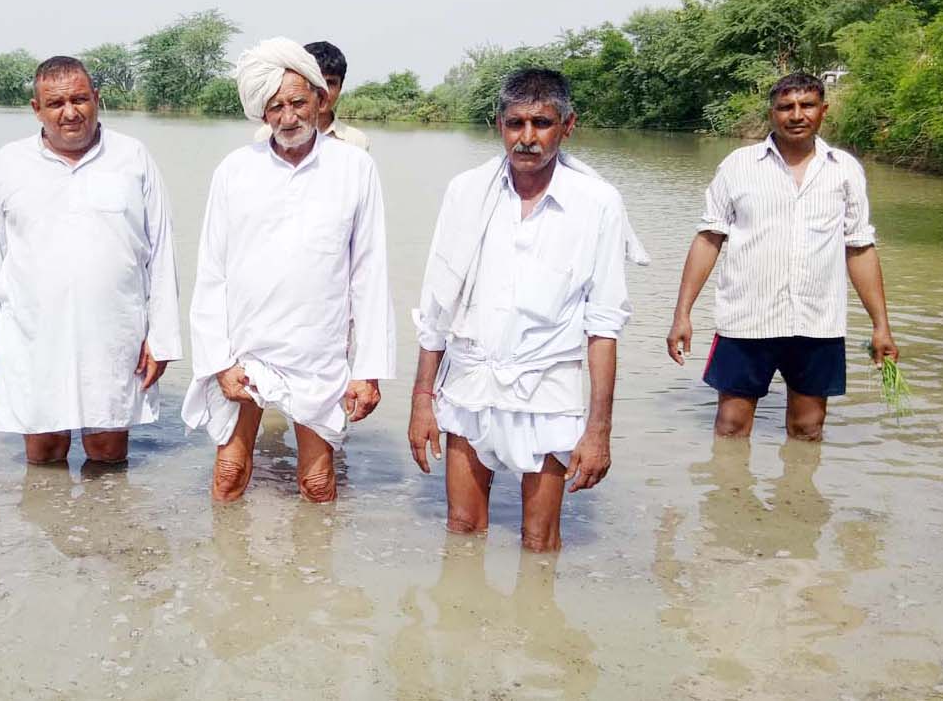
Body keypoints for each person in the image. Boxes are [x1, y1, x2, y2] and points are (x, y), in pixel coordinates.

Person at [407, 68, 644, 549]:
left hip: (548, 389)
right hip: (471, 381)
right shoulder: (467, 192)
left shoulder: (597, 203)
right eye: (516, 123)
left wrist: (598, 430)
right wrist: (421, 401)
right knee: (463, 531)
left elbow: (603, 326)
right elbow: (437, 304)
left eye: (542, 123)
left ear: (568, 126)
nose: (528, 138)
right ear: (499, 124)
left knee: (539, 542)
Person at [183, 37, 395, 503]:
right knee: (230, 473)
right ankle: (226, 575)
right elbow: (212, 272)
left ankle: (318, 574)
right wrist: (218, 360)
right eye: (274, 106)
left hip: (317, 348)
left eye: (298, 102)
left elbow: (369, 272)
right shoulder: (235, 171)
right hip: (245, 346)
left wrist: (368, 370)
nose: (288, 116)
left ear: (321, 99)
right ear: (262, 113)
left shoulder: (354, 167)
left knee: (317, 483)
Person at [0, 56, 180, 465]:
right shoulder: (10, 163)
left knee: (108, 450)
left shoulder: (132, 157)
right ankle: (48, 528)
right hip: (31, 334)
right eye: (56, 103)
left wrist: (162, 337)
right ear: (36, 109)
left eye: (80, 99)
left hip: (114, 332)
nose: (70, 112)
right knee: (44, 451)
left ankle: (107, 530)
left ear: (97, 99)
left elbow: (162, 252)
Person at [666, 72, 898, 440]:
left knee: (808, 429)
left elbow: (859, 247)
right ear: (772, 113)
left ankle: (800, 498)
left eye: (806, 105)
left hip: (818, 322)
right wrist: (682, 314)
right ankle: (730, 496)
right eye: (785, 107)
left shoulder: (845, 170)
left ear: (823, 111)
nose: (796, 115)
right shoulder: (738, 166)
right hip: (747, 319)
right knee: (731, 426)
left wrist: (880, 325)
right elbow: (709, 238)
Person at [254, 41, 370, 151]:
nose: (323, 90)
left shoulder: (356, 141)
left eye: (330, 83)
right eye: (314, 82)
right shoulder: (267, 135)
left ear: (340, 88)